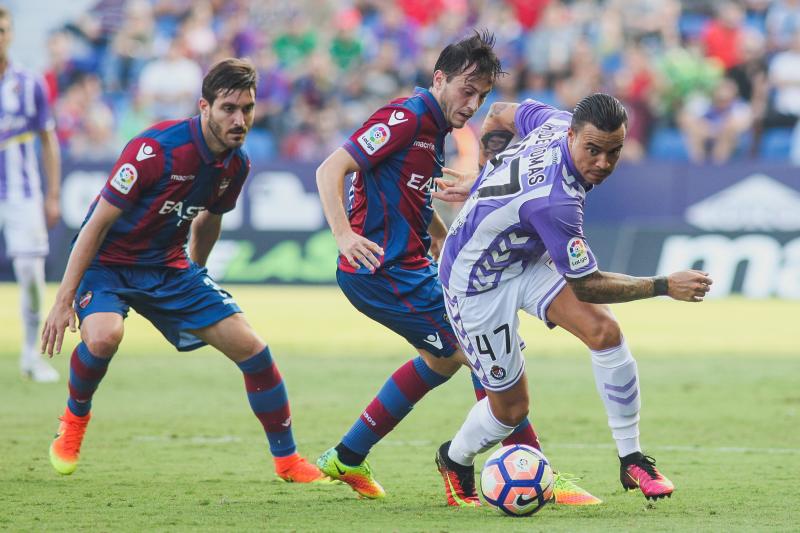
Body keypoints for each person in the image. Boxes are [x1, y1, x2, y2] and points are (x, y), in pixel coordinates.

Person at [314, 31, 599, 506]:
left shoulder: (434, 130)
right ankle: (530, 467)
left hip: (408, 268)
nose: (473, 105)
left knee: (446, 358)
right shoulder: (404, 118)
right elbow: (331, 168)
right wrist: (344, 234)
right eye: (467, 91)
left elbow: (407, 195)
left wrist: (442, 239)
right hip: (381, 272)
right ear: (439, 78)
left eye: (482, 96)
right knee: (484, 350)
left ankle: (347, 455)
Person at [40, 58, 324, 483]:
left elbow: (210, 219)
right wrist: (64, 299)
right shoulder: (156, 148)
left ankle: (287, 460)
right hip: (109, 264)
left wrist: (199, 273)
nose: (240, 119)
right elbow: (96, 223)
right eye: (229, 108)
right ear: (204, 107)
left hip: (170, 268)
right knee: (104, 336)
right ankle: (73, 422)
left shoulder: (237, 164)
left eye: (247, 109)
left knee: (254, 350)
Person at [432, 93, 713, 502]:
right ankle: (454, 459)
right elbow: (587, 284)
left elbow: (497, 114)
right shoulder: (556, 201)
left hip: (522, 258)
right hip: (475, 281)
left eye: (613, 152)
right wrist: (664, 285)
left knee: (604, 332)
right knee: (510, 412)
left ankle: (631, 459)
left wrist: (486, 176)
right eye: (593, 150)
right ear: (572, 135)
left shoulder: (552, 121)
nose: (602, 163)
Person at [0, 7, 62, 383]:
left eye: (3, 29)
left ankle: (31, 354)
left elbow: (48, 141)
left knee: (29, 271)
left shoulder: (30, 83)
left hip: (22, 191)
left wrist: (52, 194)